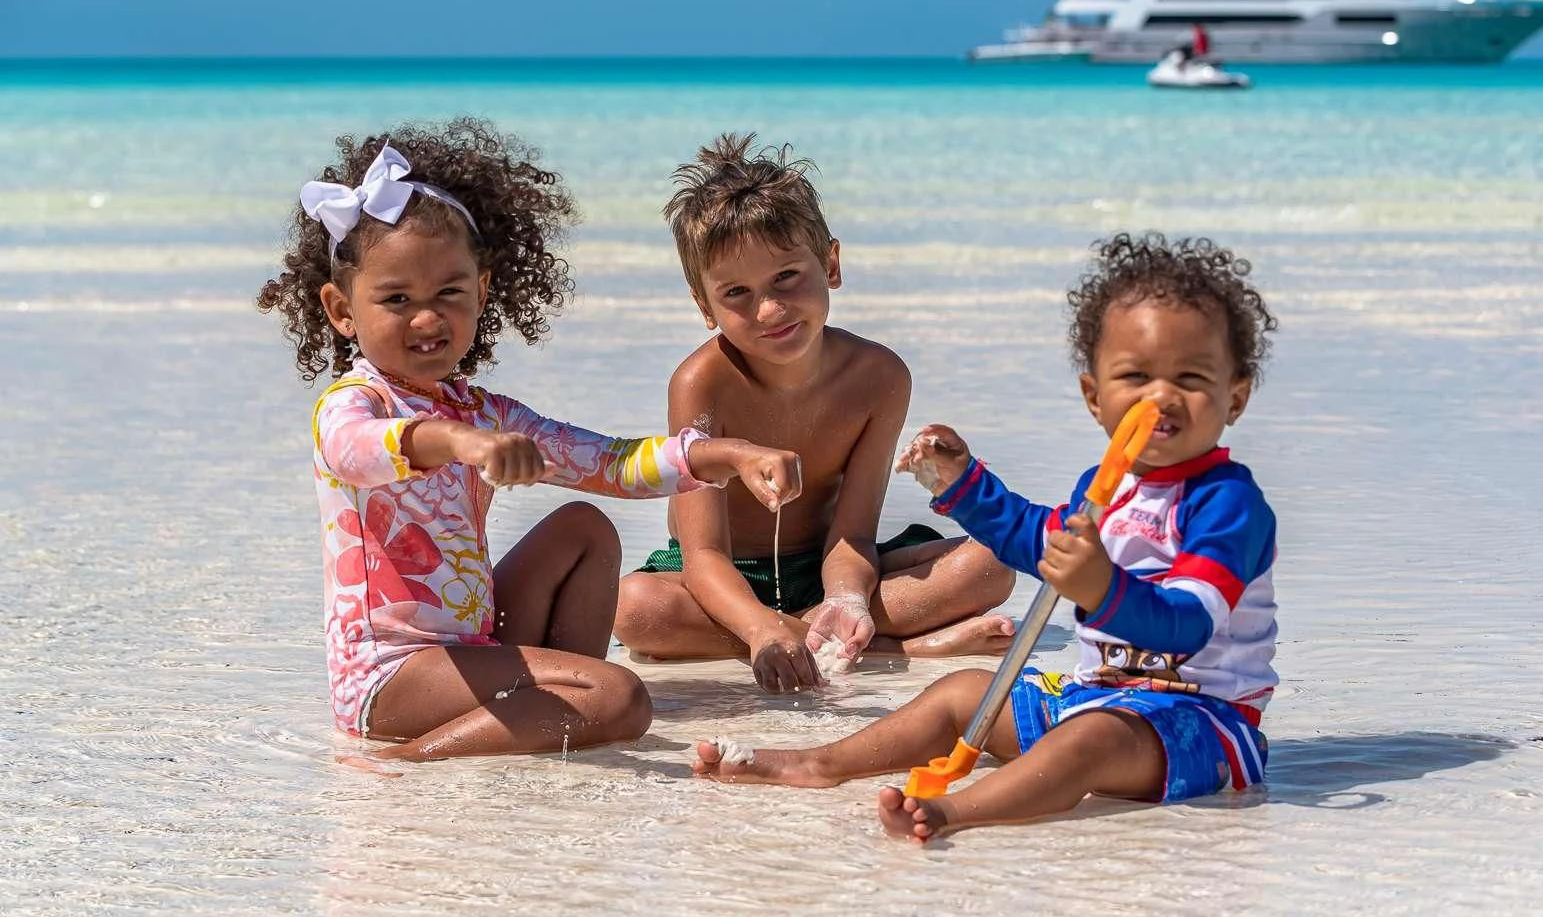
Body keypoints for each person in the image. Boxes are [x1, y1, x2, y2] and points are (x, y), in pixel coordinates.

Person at [691, 232, 1281, 842]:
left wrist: (1101, 589)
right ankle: (821, 764)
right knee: (962, 692)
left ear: (1234, 396)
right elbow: (1030, 538)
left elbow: (1188, 626)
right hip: (1097, 698)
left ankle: (954, 812)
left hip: (1203, 723)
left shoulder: (1228, 504)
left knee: (1091, 740)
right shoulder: (1104, 488)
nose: (1160, 397)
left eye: (1190, 377)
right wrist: (965, 486)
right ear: (1094, 398)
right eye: (1135, 376)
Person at [257, 118, 801, 764]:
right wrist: (461, 443)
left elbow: (613, 463)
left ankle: (557, 711)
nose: (427, 316)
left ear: (482, 290)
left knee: (583, 527)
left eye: (450, 292)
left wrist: (730, 454)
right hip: (390, 673)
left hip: (470, 649)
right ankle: (403, 762)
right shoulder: (354, 403)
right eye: (397, 298)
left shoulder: (486, 413)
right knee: (623, 698)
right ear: (342, 310)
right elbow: (359, 449)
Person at [613, 134, 1016, 694]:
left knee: (993, 561)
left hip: (832, 566)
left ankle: (834, 630)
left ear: (830, 263)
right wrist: (759, 629)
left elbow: (853, 535)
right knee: (634, 609)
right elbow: (703, 556)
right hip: (724, 580)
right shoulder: (700, 384)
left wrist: (847, 599)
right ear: (704, 306)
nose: (769, 310)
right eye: (736, 292)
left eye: (786, 277)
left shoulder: (879, 376)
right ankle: (899, 647)